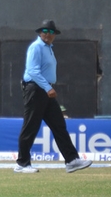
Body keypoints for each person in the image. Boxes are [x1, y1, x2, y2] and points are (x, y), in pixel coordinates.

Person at [15, 19, 92, 174]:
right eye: (45, 31)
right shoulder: (36, 47)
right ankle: (22, 163)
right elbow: (32, 71)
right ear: (39, 32)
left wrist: (48, 88)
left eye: (51, 32)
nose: (48, 35)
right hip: (36, 89)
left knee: (59, 125)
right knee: (31, 126)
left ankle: (71, 160)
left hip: (44, 90)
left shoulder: (49, 48)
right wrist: (48, 87)